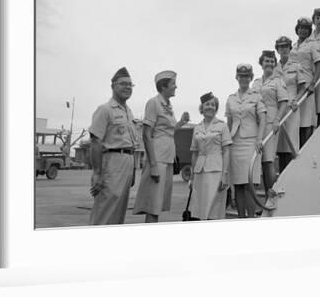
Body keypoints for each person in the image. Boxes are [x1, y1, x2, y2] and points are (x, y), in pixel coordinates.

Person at [133, 70, 190, 223]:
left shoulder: (168, 105)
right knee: (153, 205)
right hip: (157, 158)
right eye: (173, 84)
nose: (176, 87)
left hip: (167, 158)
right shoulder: (154, 103)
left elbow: (170, 131)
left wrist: (182, 123)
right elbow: (146, 134)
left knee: (158, 205)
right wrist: (153, 165)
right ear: (164, 86)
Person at [88, 67, 139, 225]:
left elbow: (131, 144)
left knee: (118, 212)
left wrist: (133, 170)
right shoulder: (105, 110)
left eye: (130, 85)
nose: (127, 87)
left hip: (127, 163)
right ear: (113, 86)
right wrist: (97, 173)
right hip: (112, 163)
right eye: (123, 84)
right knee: (105, 209)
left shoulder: (128, 112)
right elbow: (95, 142)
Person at [225, 64, 267, 218]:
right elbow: (229, 122)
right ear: (237, 77)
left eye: (247, 76)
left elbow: (263, 118)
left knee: (250, 184)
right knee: (238, 185)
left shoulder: (256, 95)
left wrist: (260, 138)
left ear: (250, 78)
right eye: (241, 76)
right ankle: (241, 218)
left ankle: (251, 219)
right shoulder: (231, 99)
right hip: (235, 143)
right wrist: (227, 142)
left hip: (251, 143)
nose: (244, 79)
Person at [252, 51, 289, 209]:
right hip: (255, 123)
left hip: (270, 122)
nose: (269, 63)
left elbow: (284, 102)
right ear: (261, 63)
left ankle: (272, 197)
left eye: (272, 61)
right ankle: (266, 196)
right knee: (258, 161)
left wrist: (277, 120)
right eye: (266, 61)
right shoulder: (256, 82)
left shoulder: (278, 81)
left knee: (268, 160)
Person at [188, 92, 232, 220]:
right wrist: (191, 177)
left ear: (216, 108)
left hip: (216, 171)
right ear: (202, 108)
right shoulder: (197, 128)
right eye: (207, 104)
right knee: (199, 209)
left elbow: (226, 151)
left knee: (214, 209)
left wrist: (225, 174)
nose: (210, 107)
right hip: (199, 172)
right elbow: (194, 153)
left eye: (213, 105)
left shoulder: (222, 126)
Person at [274, 36, 307, 173]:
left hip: (291, 108)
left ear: (290, 48)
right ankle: (282, 173)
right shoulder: (274, 69)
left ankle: (292, 173)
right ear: (277, 49)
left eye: (286, 46)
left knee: (291, 142)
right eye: (281, 47)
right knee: (279, 144)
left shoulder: (296, 66)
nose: (284, 49)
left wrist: (297, 100)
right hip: (277, 109)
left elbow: (303, 87)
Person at [290, 17, 320, 147]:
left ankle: (307, 146)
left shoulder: (312, 44)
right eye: (301, 28)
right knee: (295, 117)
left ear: (309, 30)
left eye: (306, 29)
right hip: (294, 85)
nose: (302, 31)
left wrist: (313, 84)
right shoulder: (293, 47)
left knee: (306, 118)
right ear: (297, 29)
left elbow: (319, 65)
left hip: (306, 84)